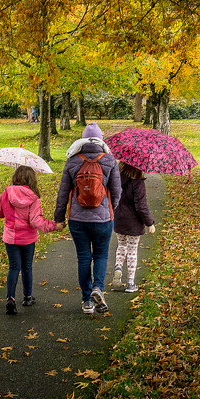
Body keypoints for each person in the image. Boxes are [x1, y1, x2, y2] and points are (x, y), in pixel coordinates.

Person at [53, 122, 121, 314]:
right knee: (101, 255)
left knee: (83, 257)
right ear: (100, 139)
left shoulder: (73, 160)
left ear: (82, 139)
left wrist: (59, 217)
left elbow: (63, 193)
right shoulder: (109, 160)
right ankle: (98, 288)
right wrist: (111, 211)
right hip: (103, 220)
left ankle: (86, 301)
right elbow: (117, 192)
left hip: (78, 220)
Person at [0, 165, 58, 315]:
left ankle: (10, 298)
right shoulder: (33, 198)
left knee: (14, 267)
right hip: (28, 239)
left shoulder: (6, 194)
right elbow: (36, 221)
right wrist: (54, 226)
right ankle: (27, 297)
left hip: (10, 237)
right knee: (27, 267)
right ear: (32, 180)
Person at [112, 162, 155, 293]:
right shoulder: (137, 182)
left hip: (119, 218)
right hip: (133, 222)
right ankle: (130, 282)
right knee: (132, 251)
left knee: (121, 245)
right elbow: (141, 207)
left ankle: (118, 267)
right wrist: (150, 223)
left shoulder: (116, 178)